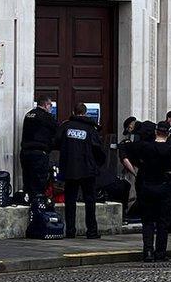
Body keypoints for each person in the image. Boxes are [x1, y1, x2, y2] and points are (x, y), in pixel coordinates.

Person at [130, 121, 171, 262]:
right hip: (163, 186)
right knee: (162, 222)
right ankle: (160, 253)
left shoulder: (146, 147)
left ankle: (148, 251)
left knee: (147, 221)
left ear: (156, 132)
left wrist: (141, 166)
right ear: (168, 134)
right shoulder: (170, 149)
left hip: (147, 186)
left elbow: (131, 154)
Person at [55, 103, 106, 239]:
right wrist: (99, 163)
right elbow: (98, 148)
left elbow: (56, 142)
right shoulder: (91, 128)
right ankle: (92, 231)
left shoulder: (65, 127)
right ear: (85, 112)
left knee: (70, 200)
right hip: (87, 170)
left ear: (74, 111)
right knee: (90, 200)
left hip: (70, 169)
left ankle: (70, 230)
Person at [20, 95, 58, 207]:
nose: (51, 107)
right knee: (38, 184)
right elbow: (57, 130)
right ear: (46, 105)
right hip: (39, 153)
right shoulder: (46, 116)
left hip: (25, 153)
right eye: (50, 105)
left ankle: (27, 202)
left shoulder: (29, 114)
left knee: (27, 181)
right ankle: (37, 209)